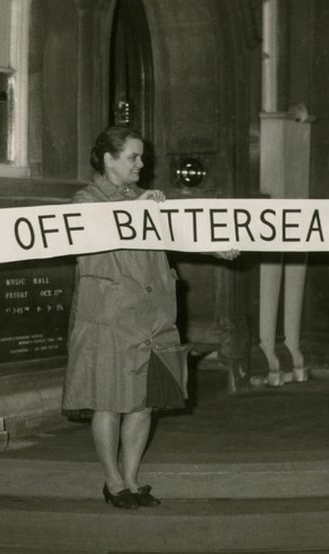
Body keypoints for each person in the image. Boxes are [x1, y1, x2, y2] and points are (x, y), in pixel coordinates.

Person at [62, 126, 237, 509]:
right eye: (133, 157)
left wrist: (217, 247)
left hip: (153, 314)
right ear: (109, 160)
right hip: (109, 316)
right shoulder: (85, 201)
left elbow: (183, 232)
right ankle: (112, 482)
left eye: (141, 157)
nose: (142, 164)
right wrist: (142, 207)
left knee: (143, 403)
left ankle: (131, 478)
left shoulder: (148, 201)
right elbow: (94, 231)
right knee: (107, 401)